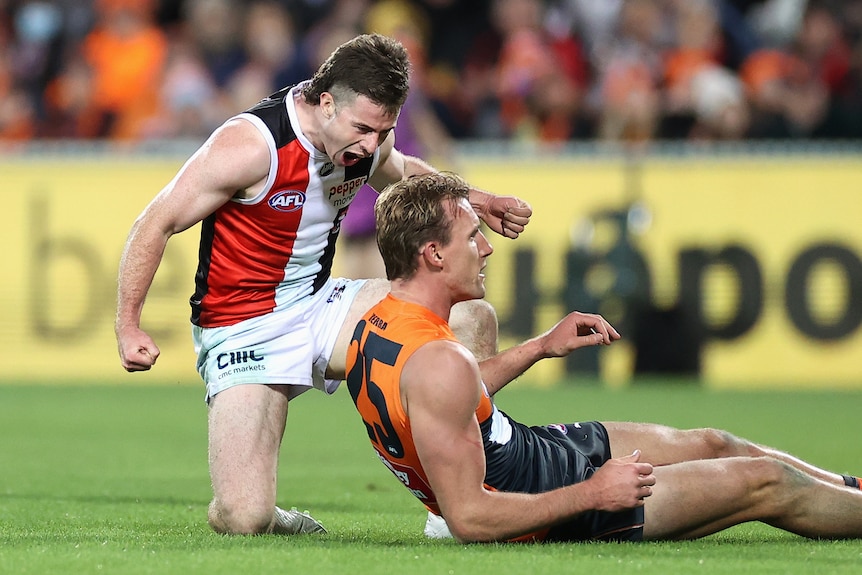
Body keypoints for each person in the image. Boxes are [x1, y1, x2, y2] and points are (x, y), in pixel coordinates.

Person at [114, 33, 532, 536]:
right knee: (243, 517)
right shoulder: (252, 145)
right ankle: (278, 519)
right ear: (326, 103)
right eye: (363, 130)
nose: (370, 145)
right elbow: (154, 222)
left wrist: (476, 199)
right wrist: (128, 325)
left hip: (320, 305)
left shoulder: (363, 136)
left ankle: (461, 500)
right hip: (242, 329)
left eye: (383, 131)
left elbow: (399, 171)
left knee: (469, 316)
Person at [346, 171, 862, 544]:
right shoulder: (439, 362)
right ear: (433, 254)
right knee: (767, 484)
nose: (487, 248)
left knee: (714, 442)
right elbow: (470, 518)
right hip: (553, 505)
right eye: (471, 236)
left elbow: (443, 399)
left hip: (531, 451)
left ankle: (852, 488)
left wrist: (540, 347)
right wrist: (593, 493)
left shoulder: (376, 327)